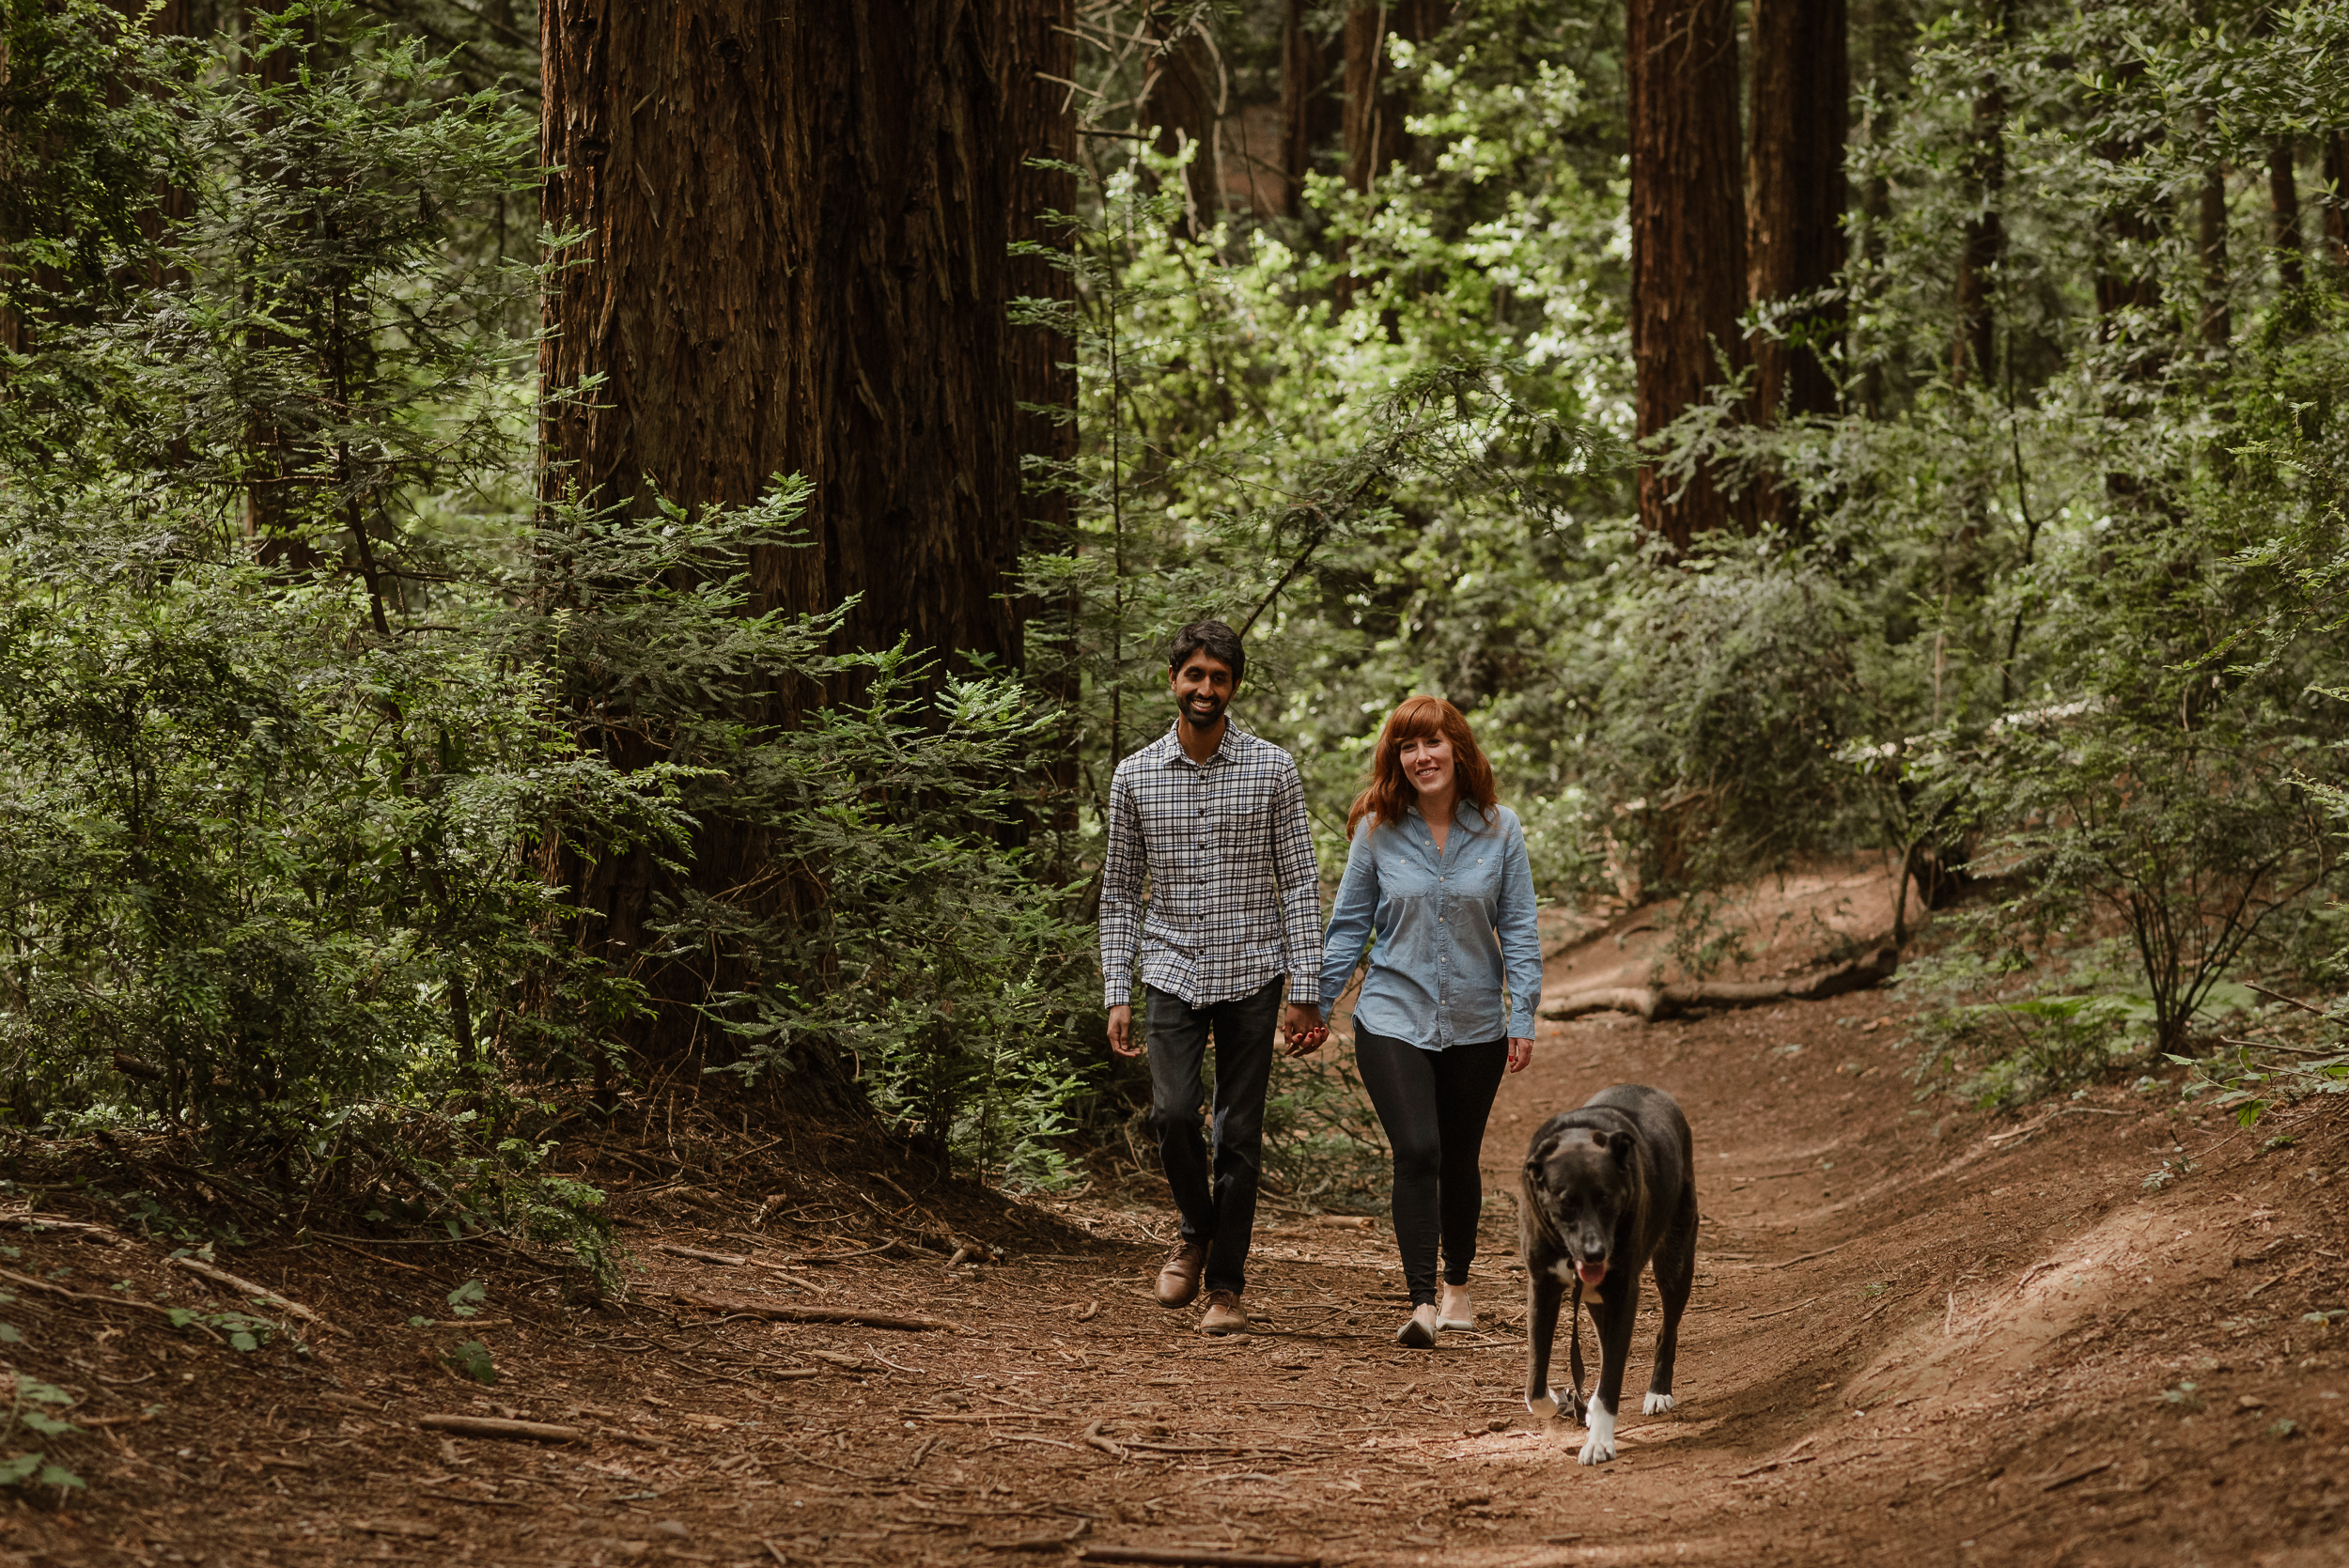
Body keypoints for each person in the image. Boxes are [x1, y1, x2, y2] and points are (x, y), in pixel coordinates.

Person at [1101, 620, 1329, 1338]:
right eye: (1194, 674)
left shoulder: (1273, 768)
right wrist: (1117, 989)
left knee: (1239, 1133)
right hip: (1168, 968)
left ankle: (1226, 1286)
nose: (1205, 688)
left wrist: (1306, 986)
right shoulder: (1135, 775)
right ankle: (1195, 1230)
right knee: (1172, 1115)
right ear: (1174, 680)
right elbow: (1118, 891)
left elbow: (1299, 881)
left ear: (1233, 685)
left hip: (1254, 970)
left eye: (1218, 677)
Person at [1313, 696, 1540, 1347]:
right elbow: (1349, 927)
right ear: (1397, 759)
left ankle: (1457, 1283)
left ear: (1458, 750)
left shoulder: (1502, 829)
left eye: (1432, 743)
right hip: (1392, 1015)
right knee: (1417, 1149)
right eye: (1408, 746)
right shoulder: (1377, 831)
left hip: (1476, 1022)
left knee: (1460, 1158)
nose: (1422, 757)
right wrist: (1317, 1006)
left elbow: (1519, 926)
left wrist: (1521, 1012)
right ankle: (1419, 1300)